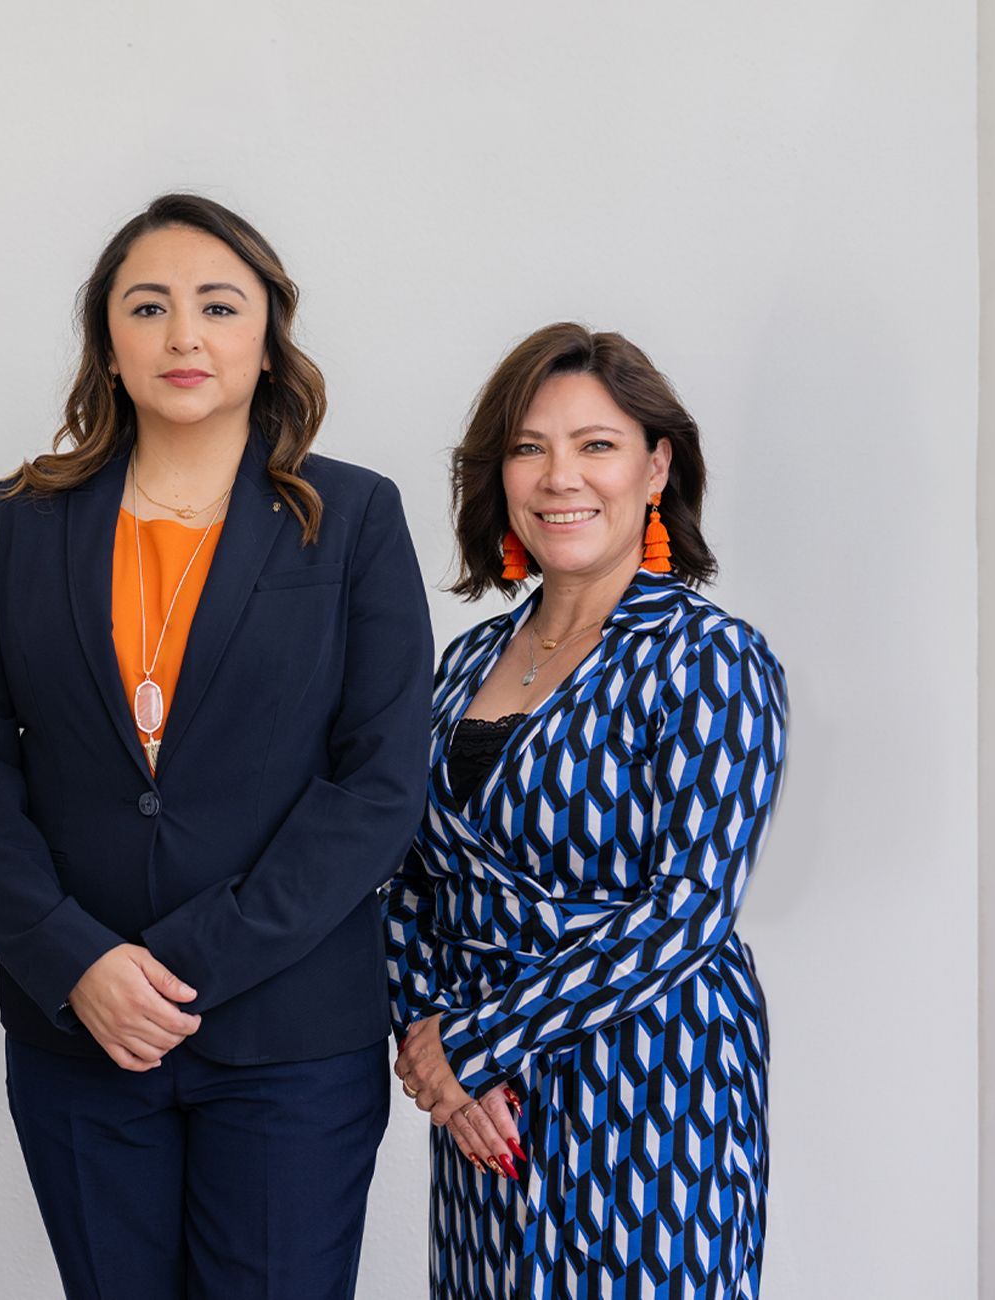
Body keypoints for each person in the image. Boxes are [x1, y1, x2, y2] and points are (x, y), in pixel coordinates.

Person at [0, 193, 433, 1299]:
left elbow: (380, 782)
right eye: (147, 307)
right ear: (108, 342)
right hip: (82, 1042)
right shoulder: (23, 518)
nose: (184, 336)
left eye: (218, 306)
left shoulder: (350, 519)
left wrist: (187, 960)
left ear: (267, 337)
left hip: (290, 1039)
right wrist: (73, 958)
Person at [386, 323, 787, 1299]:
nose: (559, 476)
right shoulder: (462, 665)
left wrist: (475, 1041)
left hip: (654, 1083)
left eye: (595, 445)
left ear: (657, 467)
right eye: (530, 446)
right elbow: (401, 872)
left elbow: (688, 908)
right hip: (490, 1109)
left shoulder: (709, 659)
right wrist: (426, 1035)